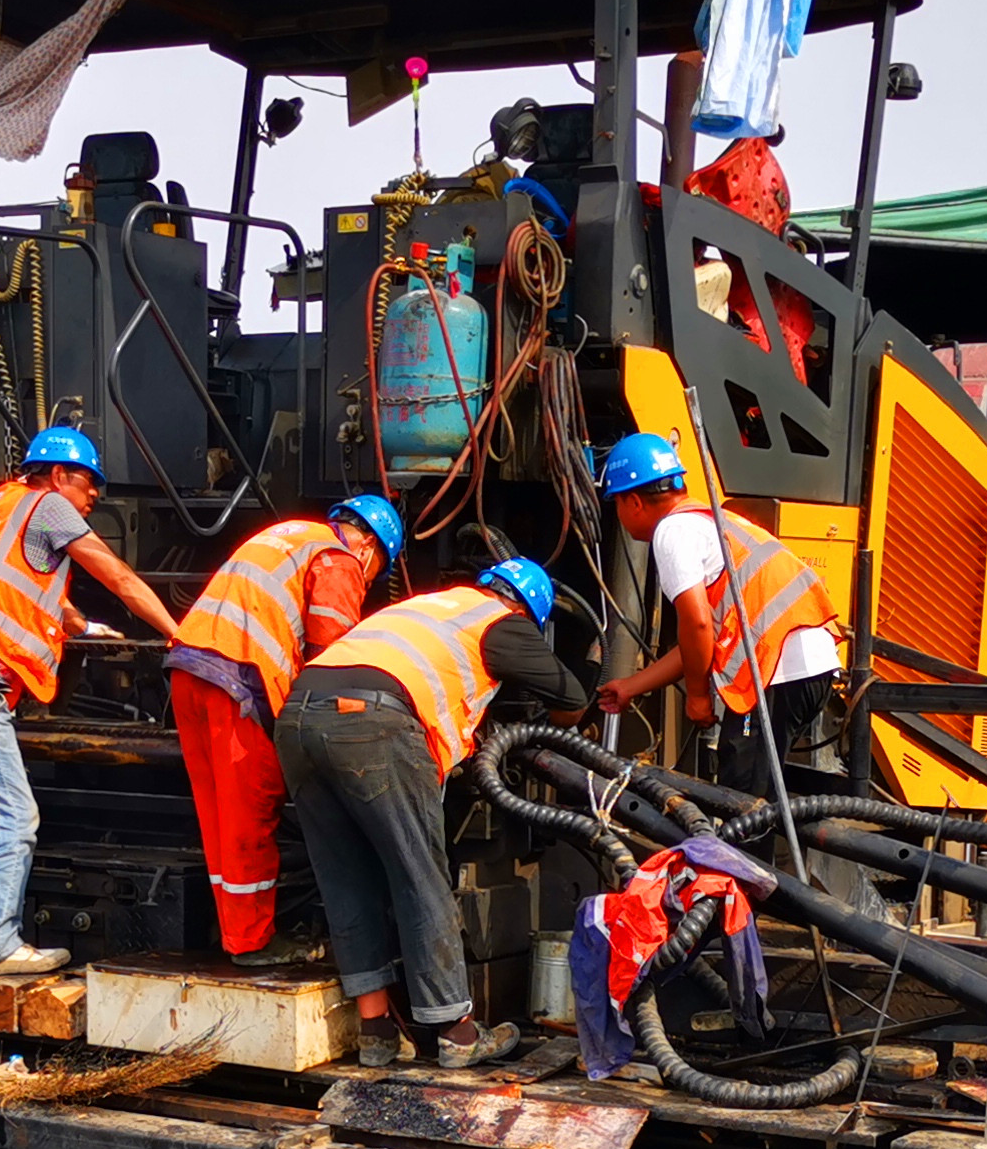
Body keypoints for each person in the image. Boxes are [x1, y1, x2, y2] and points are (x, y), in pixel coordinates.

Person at [0, 426, 180, 979]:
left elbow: (18, 589)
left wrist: (85, 625)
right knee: (13, 822)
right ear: (57, 474)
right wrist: (176, 631)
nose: (95, 495)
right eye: (89, 481)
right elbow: (116, 575)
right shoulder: (49, 505)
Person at [277, 558, 585, 1070]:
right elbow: (570, 700)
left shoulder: (424, 608)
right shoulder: (500, 620)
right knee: (419, 875)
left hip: (298, 718)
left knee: (345, 877)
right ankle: (457, 1033)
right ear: (526, 610)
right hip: (372, 725)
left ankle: (375, 1034)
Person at [166, 494, 405, 967]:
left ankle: (235, 931)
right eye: (377, 570)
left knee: (218, 816)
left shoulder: (291, 534)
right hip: (239, 679)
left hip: (188, 671)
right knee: (250, 811)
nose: (369, 578)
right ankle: (252, 942)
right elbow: (333, 654)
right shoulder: (339, 560)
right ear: (370, 550)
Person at [587, 432, 844, 779]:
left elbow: (697, 625)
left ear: (633, 502)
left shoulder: (673, 531)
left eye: (616, 503)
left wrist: (697, 697)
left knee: (743, 803)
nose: (619, 513)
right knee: (756, 789)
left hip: (775, 672)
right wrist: (632, 686)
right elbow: (699, 639)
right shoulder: (708, 521)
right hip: (804, 669)